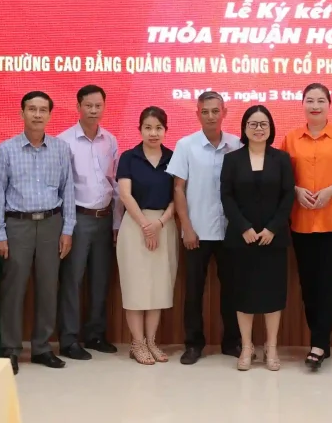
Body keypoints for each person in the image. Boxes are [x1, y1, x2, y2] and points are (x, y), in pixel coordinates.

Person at [281, 83, 332, 371]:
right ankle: (320, 341)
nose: (315, 105)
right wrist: (295, 190)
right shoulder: (291, 138)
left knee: (329, 282)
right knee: (308, 284)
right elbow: (279, 175)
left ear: (330, 104)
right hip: (302, 222)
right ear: (302, 104)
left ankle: (318, 344)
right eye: (309, 100)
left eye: (320, 100)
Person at [0, 91, 76, 375]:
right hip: (17, 225)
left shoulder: (61, 149)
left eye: (43, 110)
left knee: (48, 287)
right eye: (32, 109)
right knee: (13, 288)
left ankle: (42, 347)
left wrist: (68, 229)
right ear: (22, 113)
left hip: (52, 223)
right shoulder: (6, 150)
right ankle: (10, 349)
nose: (37, 114)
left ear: (50, 115)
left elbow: (68, 190)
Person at [168, 91, 242, 365]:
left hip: (230, 231)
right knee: (193, 292)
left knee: (232, 290)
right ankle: (193, 344)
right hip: (196, 231)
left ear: (224, 112)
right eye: (205, 111)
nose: (210, 116)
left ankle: (232, 342)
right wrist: (186, 227)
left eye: (215, 111)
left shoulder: (237, 144)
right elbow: (178, 188)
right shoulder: (186, 145)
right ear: (197, 114)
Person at [220, 105, 295, 372]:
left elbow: (288, 196)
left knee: (273, 295)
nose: (259, 129)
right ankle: (247, 346)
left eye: (264, 124)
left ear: (271, 128)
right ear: (244, 128)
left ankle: (271, 348)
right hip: (242, 239)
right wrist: (243, 227)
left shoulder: (282, 158)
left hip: (274, 239)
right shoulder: (232, 159)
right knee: (243, 294)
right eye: (253, 124)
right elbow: (226, 196)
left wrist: (273, 228)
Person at [57, 85, 120, 360]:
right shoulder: (64, 141)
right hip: (78, 219)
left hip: (104, 218)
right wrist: (67, 228)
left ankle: (95, 334)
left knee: (100, 279)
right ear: (78, 107)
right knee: (72, 280)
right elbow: (63, 188)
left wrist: (116, 224)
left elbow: (115, 185)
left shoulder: (110, 140)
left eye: (98, 106)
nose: (94, 111)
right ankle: (69, 339)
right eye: (88, 105)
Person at [116, 106, 178, 365]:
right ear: (140, 129)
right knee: (136, 286)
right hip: (134, 226)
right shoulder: (129, 157)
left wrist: (159, 224)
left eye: (158, 128)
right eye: (148, 128)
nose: (153, 133)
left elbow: (178, 196)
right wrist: (145, 225)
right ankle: (137, 343)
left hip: (164, 225)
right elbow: (125, 194)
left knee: (158, 287)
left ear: (165, 130)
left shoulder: (173, 158)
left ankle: (151, 341)